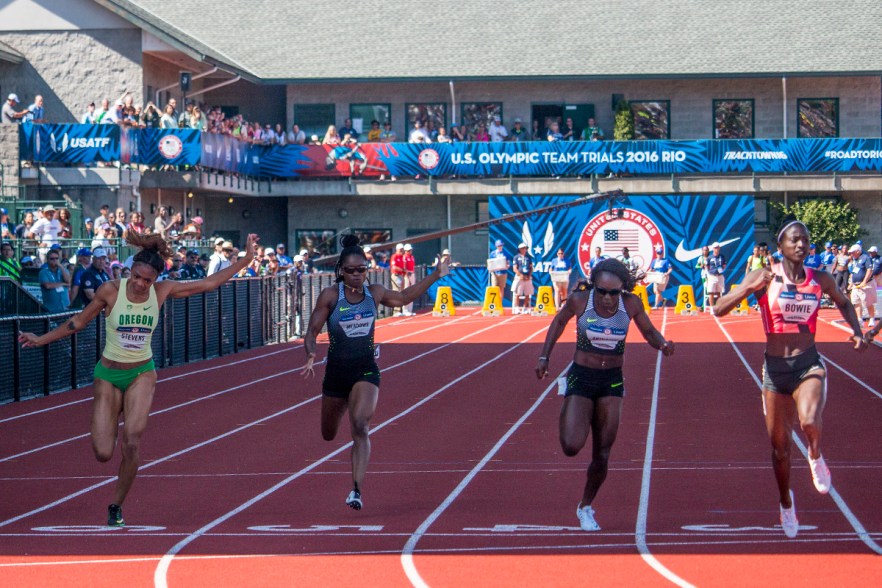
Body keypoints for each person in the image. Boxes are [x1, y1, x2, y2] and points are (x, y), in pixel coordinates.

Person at [19, 232, 260, 526]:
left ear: (155, 279)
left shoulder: (162, 291)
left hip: (141, 373)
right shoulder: (110, 290)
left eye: (147, 281)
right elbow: (77, 322)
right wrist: (40, 339)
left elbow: (208, 284)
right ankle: (109, 415)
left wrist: (246, 260)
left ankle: (116, 505)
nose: (140, 284)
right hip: (108, 374)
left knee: (132, 442)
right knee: (103, 453)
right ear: (130, 271)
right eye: (136, 277)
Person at [713, 217, 867, 539]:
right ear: (780, 246)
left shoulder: (820, 278)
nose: (801, 245)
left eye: (805, 240)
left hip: (808, 363)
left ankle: (815, 455)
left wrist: (856, 331)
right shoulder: (764, 276)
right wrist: (748, 289)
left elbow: (842, 302)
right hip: (775, 371)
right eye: (794, 240)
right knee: (780, 450)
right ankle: (786, 503)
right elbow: (718, 309)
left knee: (809, 420)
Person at [301, 234, 449, 510]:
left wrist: (435, 275)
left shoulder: (375, 292)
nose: (357, 275)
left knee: (360, 425)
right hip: (336, 373)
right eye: (351, 271)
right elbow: (312, 331)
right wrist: (310, 351)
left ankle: (356, 490)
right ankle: (343, 402)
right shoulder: (331, 296)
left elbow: (405, 296)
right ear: (340, 272)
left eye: (361, 270)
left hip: (365, 370)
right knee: (329, 434)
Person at [535, 258, 674, 531]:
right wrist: (544, 356)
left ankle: (585, 506)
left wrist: (663, 344)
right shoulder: (579, 300)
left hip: (611, 381)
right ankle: (570, 401)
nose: (608, 298)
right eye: (603, 291)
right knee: (571, 445)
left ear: (623, 289)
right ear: (594, 286)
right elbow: (558, 322)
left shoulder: (631, 304)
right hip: (582, 376)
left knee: (603, 453)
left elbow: (648, 331)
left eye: (614, 292)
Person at [847, 244, 875, 328]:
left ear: (858, 251)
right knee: (856, 302)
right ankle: (860, 319)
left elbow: (869, 270)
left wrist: (864, 282)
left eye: (852, 252)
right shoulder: (854, 259)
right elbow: (853, 272)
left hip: (865, 284)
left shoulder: (866, 258)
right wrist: (851, 283)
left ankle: (872, 318)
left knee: (868, 302)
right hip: (856, 284)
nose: (851, 254)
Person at [512, 243, 534, 314]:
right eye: (523, 248)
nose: (525, 249)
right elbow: (514, 268)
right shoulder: (516, 257)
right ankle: (517, 308)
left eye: (525, 248)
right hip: (519, 277)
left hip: (527, 277)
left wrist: (529, 275)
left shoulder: (528, 258)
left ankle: (524, 307)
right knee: (518, 293)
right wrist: (520, 275)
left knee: (528, 293)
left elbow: (531, 268)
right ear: (520, 249)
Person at [706, 242, 727, 309]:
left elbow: (724, 265)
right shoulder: (709, 257)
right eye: (715, 248)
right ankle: (712, 308)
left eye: (717, 247)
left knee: (719, 293)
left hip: (720, 276)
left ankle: (718, 307)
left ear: (719, 248)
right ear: (713, 249)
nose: (716, 249)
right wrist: (710, 273)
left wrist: (721, 270)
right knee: (711, 293)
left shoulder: (722, 256)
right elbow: (707, 267)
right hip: (712, 276)